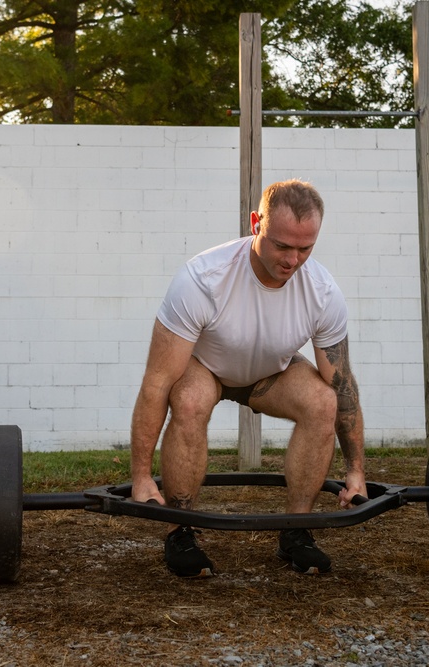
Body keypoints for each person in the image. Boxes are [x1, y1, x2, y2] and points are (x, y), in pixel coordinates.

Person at [130, 179, 367, 578]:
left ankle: (296, 532)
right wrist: (139, 477)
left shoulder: (323, 293)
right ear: (256, 223)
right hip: (205, 368)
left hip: (267, 375)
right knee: (188, 400)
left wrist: (356, 470)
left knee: (323, 401)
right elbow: (156, 383)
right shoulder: (203, 280)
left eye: (305, 249)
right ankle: (180, 531)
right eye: (282, 246)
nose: (292, 260)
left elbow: (343, 386)